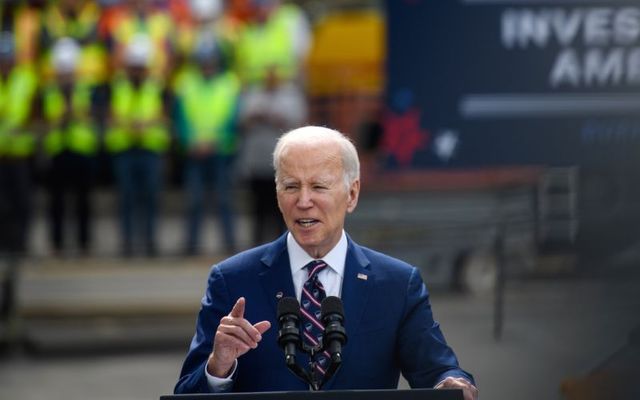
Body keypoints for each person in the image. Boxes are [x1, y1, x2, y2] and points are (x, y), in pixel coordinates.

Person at [174, 126, 478, 400]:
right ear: (277, 194)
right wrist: (219, 366)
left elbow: (439, 371)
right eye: (291, 186)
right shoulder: (232, 280)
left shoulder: (397, 284)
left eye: (318, 187)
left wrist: (452, 383)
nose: (304, 200)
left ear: (352, 194)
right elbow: (187, 393)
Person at [172, 35, 241, 256]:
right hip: (194, 152)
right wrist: (189, 142)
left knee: (224, 200)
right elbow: (180, 118)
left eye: (211, 61)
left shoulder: (230, 83)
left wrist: (215, 142)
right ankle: (191, 245)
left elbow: (233, 119)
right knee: (194, 200)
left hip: (221, 151)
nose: (207, 66)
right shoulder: (185, 84)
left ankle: (230, 245)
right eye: (204, 61)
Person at [42, 38, 99, 256]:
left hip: (81, 149)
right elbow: (42, 120)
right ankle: (57, 243)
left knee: (83, 201)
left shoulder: (87, 89)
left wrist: (75, 113)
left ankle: (84, 243)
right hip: (58, 149)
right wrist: (58, 119)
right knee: (56, 202)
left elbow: (96, 116)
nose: (65, 75)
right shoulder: (48, 91)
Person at [237, 64, 306, 246]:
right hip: (257, 161)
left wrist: (274, 117)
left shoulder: (290, 97)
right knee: (258, 207)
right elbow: (241, 121)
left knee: (281, 207)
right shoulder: (253, 95)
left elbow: (297, 123)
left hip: (282, 163)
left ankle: (282, 244)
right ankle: (258, 245)